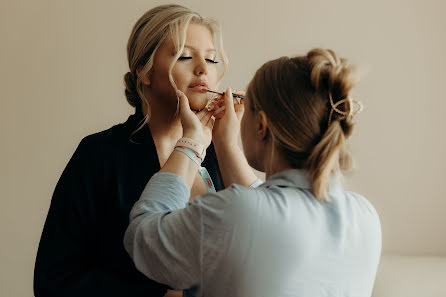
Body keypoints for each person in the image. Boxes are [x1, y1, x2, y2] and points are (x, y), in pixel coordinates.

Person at [34, 4, 258, 297]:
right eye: (186, 56)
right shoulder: (100, 154)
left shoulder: (219, 152)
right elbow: (53, 280)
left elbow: (266, 234)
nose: (203, 68)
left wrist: (229, 144)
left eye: (212, 60)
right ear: (144, 71)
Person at [124, 48, 382, 297]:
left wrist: (191, 143)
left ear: (261, 125)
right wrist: (225, 144)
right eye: (185, 55)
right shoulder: (365, 215)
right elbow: (272, 214)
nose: (202, 68)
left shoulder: (238, 213)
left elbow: (143, 240)